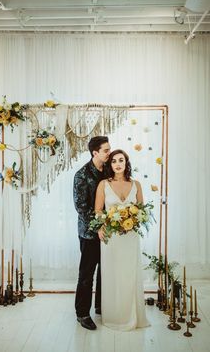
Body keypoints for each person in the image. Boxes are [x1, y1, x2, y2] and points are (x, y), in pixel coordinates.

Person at [95, 149, 149, 331]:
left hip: (130, 237)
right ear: (110, 165)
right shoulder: (104, 184)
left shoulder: (137, 184)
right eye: (113, 161)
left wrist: (135, 219)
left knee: (129, 275)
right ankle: (113, 317)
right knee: (112, 276)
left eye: (121, 160)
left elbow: (142, 210)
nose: (117, 164)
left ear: (126, 163)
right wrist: (101, 228)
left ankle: (131, 316)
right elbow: (98, 210)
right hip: (111, 237)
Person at [73, 136, 111, 330]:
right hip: (89, 233)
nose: (109, 153)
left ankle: (101, 306)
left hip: (111, 231)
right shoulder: (81, 175)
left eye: (109, 149)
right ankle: (82, 313)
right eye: (106, 150)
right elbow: (81, 207)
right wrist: (99, 227)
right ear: (95, 152)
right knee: (87, 273)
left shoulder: (109, 170)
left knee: (106, 271)